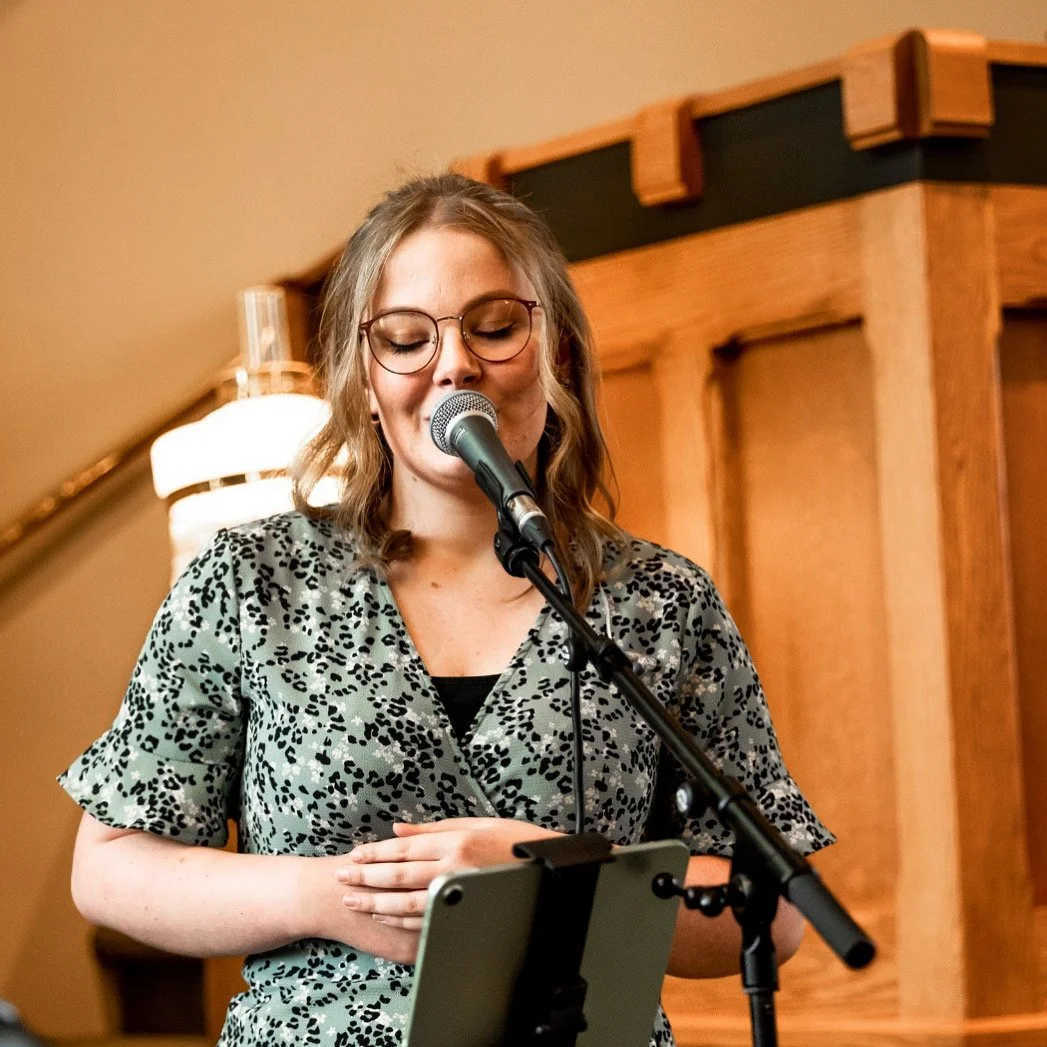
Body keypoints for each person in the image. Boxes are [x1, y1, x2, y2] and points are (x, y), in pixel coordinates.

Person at [61, 173, 833, 1046]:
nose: (455, 363)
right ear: (363, 375)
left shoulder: (659, 600)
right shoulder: (248, 579)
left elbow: (771, 913)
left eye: (495, 326)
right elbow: (113, 867)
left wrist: (541, 880)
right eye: (404, 337)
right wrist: (330, 897)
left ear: (559, 353)